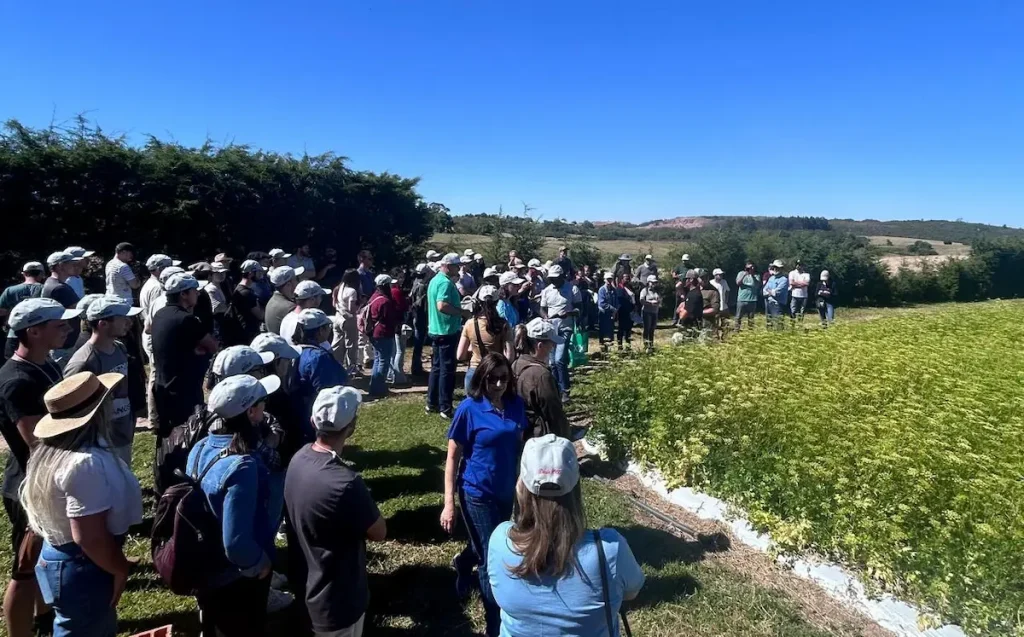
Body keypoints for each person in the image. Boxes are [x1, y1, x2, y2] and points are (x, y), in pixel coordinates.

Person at [21, 371, 143, 637]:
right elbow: (88, 536)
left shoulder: (53, 452)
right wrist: (119, 568)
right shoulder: (84, 463)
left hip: (65, 557)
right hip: (83, 562)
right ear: (98, 413)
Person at [487, 435, 645, 636]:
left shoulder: (501, 540)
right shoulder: (609, 550)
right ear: (576, 487)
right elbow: (631, 592)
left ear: (521, 487)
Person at [0, 298, 80, 637]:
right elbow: (38, 442)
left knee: (43, 559)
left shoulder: (46, 363)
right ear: (33, 331)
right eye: (59, 325)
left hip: (48, 478)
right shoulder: (17, 380)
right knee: (25, 568)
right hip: (29, 487)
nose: (67, 329)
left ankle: (44, 619)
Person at [285, 386, 386, 637]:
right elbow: (379, 532)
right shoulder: (346, 482)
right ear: (352, 426)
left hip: (307, 587)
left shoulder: (298, 458)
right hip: (337, 603)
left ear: (313, 421)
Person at [187, 374, 281, 637]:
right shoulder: (242, 466)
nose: (265, 407)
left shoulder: (201, 446)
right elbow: (236, 542)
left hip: (206, 560)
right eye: (262, 403)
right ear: (250, 412)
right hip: (237, 574)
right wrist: (260, 563)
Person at [440, 353, 527, 637]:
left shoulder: (516, 405)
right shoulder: (469, 409)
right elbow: (452, 457)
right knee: (492, 557)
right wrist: (449, 503)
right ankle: (494, 624)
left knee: (488, 542)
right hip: (476, 491)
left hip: (505, 490)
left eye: (504, 378)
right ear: (482, 378)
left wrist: (522, 486)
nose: (499, 384)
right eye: (493, 379)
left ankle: (463, 562)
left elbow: (517, 448)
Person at [150, 273, 218, 487]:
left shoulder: (160, 314)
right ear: (183, 294)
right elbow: (212, 346)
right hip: (184, 389)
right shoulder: (186, 320)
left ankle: (164, 479)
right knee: (187, 437)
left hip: (163, 386)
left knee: (166, 439)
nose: (198, 294)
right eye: (194, 290)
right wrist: (199, 351)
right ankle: (183, 483)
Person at [62, 297, 142, 465]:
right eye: (123, 318)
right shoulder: (84, 362)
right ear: (103, 324)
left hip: (122, 432)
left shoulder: (119, 347)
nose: (129, 322)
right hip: (100, 442)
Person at [293, 309, 348, 445]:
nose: (330, 329)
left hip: (301, 414)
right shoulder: (318, 357)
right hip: (317, 418)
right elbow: (329, 392)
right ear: (319, 331)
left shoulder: (296, 351)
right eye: (327, 326)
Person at [511, 319, 570, 439]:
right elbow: (554, 414)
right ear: (540, 346)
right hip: (540, 438)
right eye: (551, 343)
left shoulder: (516, 364)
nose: (554, 346)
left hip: (520, 434)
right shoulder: (542, 375)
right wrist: (565, 437)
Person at [427, 254, 467, 419]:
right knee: (447, 370)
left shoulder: (435, 280)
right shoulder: (445, 283)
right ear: (449, 266)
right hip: (446, 330)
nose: (459, 269)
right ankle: (445, 407)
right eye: (457, 266)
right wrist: (462, 312)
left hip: (436, 329)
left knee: (437, 368)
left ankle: (432, 403)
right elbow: (442, 305)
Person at [458, 286, 514, 392]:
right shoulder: (503, 325)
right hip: (495, 372)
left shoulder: (470, 323)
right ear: (497, 302)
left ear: (479, 302)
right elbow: (509, 357)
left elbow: (460, 355)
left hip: (475, 370)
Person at [538, 265, 581, 401]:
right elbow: (542, 308)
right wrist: (545, 317)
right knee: (552, 362)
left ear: (562, 276)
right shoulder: (547, 291)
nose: (553, 281)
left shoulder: (572, 289)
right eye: (551, 279)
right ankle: (555, 388)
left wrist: (568, 313)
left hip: (565, 328)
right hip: (551, 329)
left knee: (559, 360)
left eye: (555, 278)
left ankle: (565, 390)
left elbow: (579, 309)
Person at [42, 252, 84, 367]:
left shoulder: (51, 282)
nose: (75, 266)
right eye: (71, 263)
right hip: (64, 345)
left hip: (61, 341)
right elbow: (80, 309)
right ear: (60, 266)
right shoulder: (60, 288)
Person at [0, 262, 45, 362]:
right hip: (40, 336)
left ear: (24, 274)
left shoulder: (10, 291)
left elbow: (1, 311)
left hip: (14, 335)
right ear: (41, 274)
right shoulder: (45, 290)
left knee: (12, 365)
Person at [365, 275, 399, 398]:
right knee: (384, 361)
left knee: (378, 360)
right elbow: (389, 318)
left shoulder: (374, 297)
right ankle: (379, 389)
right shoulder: (385, 301)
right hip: (384, 333)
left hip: (374, 333)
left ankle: (374, 387)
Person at [224, 260, 266, 347]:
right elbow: (261, 315)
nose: (261, 275)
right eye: (258, 272)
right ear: (250, 274)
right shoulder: (246, 293)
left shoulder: (239, 289)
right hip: (248, 335)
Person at [280, 281, 331, 347]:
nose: (321, 300)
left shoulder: (286, 319)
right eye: (320, 297)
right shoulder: (310, 323)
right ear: (312, 300)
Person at [332, 269, 362, 376]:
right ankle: (352, 368)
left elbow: (334, 304)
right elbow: (351, 309)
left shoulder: (338, 288)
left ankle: (336, 366)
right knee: (351, 344)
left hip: (337, 317)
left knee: (337, 343)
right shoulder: (352, 291)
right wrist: (360, 305)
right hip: (348, 319)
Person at [265, 266, 303, 336]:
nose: (299, 282)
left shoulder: (272, 300)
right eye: (296, 279)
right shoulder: (290, 308)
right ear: (288, 285)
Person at [407, 265, 430, 376]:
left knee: (419, 342)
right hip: (420, 316)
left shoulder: (415, 283)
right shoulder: (422, 286)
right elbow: (421, 304)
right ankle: (416, 367)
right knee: (419, 342)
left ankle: (417, 366)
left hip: (416, 316)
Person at [355, 252, 376, 367]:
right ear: (362, 259)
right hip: (362, 306)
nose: (371, 261)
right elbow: (359, 291)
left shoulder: (370, 274)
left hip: (371, 304)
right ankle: (359, 360)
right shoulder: (358, 274)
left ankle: (369, 358)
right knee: (361, 334)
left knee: (369, 331)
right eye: (369, 259)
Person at [763, 260, 790, 331]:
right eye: (774, 267)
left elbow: (777, 293)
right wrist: (770, 292)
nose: (775, 269)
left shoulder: (784, 280)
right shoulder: (771, 278)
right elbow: (764, 291)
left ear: (781, 269)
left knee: (778, 324)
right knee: (769, 323)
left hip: (778, 305)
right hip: (769, 303)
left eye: (777, 268)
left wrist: (769, 291)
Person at [596, 272, 619, 349]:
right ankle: (603, 348)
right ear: (604, 280)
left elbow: (616, 301)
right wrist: (613, 309)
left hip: (612, 314)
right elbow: (602, 303)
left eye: (610, 279)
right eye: (607, 279)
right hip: (603, 313)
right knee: (603, 331)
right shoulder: (602, 290)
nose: (609, 281)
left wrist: (615, 310)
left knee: (610, 331)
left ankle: (609, 348)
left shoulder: (614, 290)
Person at [734, 262, 760, 332]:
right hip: (742, 299)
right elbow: (738, 283)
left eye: (752, 267)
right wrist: (744, 275)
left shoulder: (756, 275)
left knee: (751, 318)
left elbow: (757, 285)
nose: (751, 269)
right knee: (738, 317)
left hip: (752, 300)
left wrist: (752, 276)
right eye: (749, 267)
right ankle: (736, 330)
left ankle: (750, 331)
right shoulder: (741, 273)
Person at [639, 274, 661, 352]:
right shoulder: (644, 291)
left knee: (652, 329)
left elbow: (660, 300)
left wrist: (658, 302)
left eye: (655, 282)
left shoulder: (656, 291)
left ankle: (651, 345)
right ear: (648, 282)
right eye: (652, 282)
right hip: (647, 312)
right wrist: (650, 303)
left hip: (655, 312)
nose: (654, 284)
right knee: (647, 328)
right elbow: (641, 300)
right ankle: (646, 345)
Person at [615, 273, 635, 350]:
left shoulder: (630, 287)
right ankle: (620, 346)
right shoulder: (619, 288)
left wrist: (634, 307)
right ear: (622, 279)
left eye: (628, 278)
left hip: (630, 311)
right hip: (622, 311)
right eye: (626, 278)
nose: (627, 280)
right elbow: (620, 300)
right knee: (621, 329)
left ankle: (628, 346)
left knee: (628, 329)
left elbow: (633, 297)